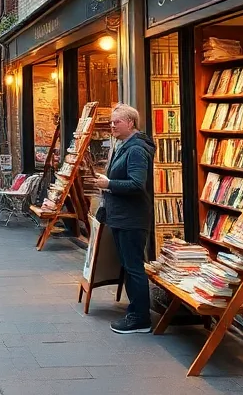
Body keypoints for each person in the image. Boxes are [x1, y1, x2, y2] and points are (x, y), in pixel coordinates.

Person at [94, 103, 154, 334]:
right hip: (122, 216)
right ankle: (136, 313)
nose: (112, 126)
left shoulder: (136, 149)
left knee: (133, 267)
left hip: (132, 218)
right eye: (110, 122)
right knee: (130, 266)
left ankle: (140, 318)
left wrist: (109, 184)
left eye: (116, 122)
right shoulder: (124, 145)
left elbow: (137, 184)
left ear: (130, 123)